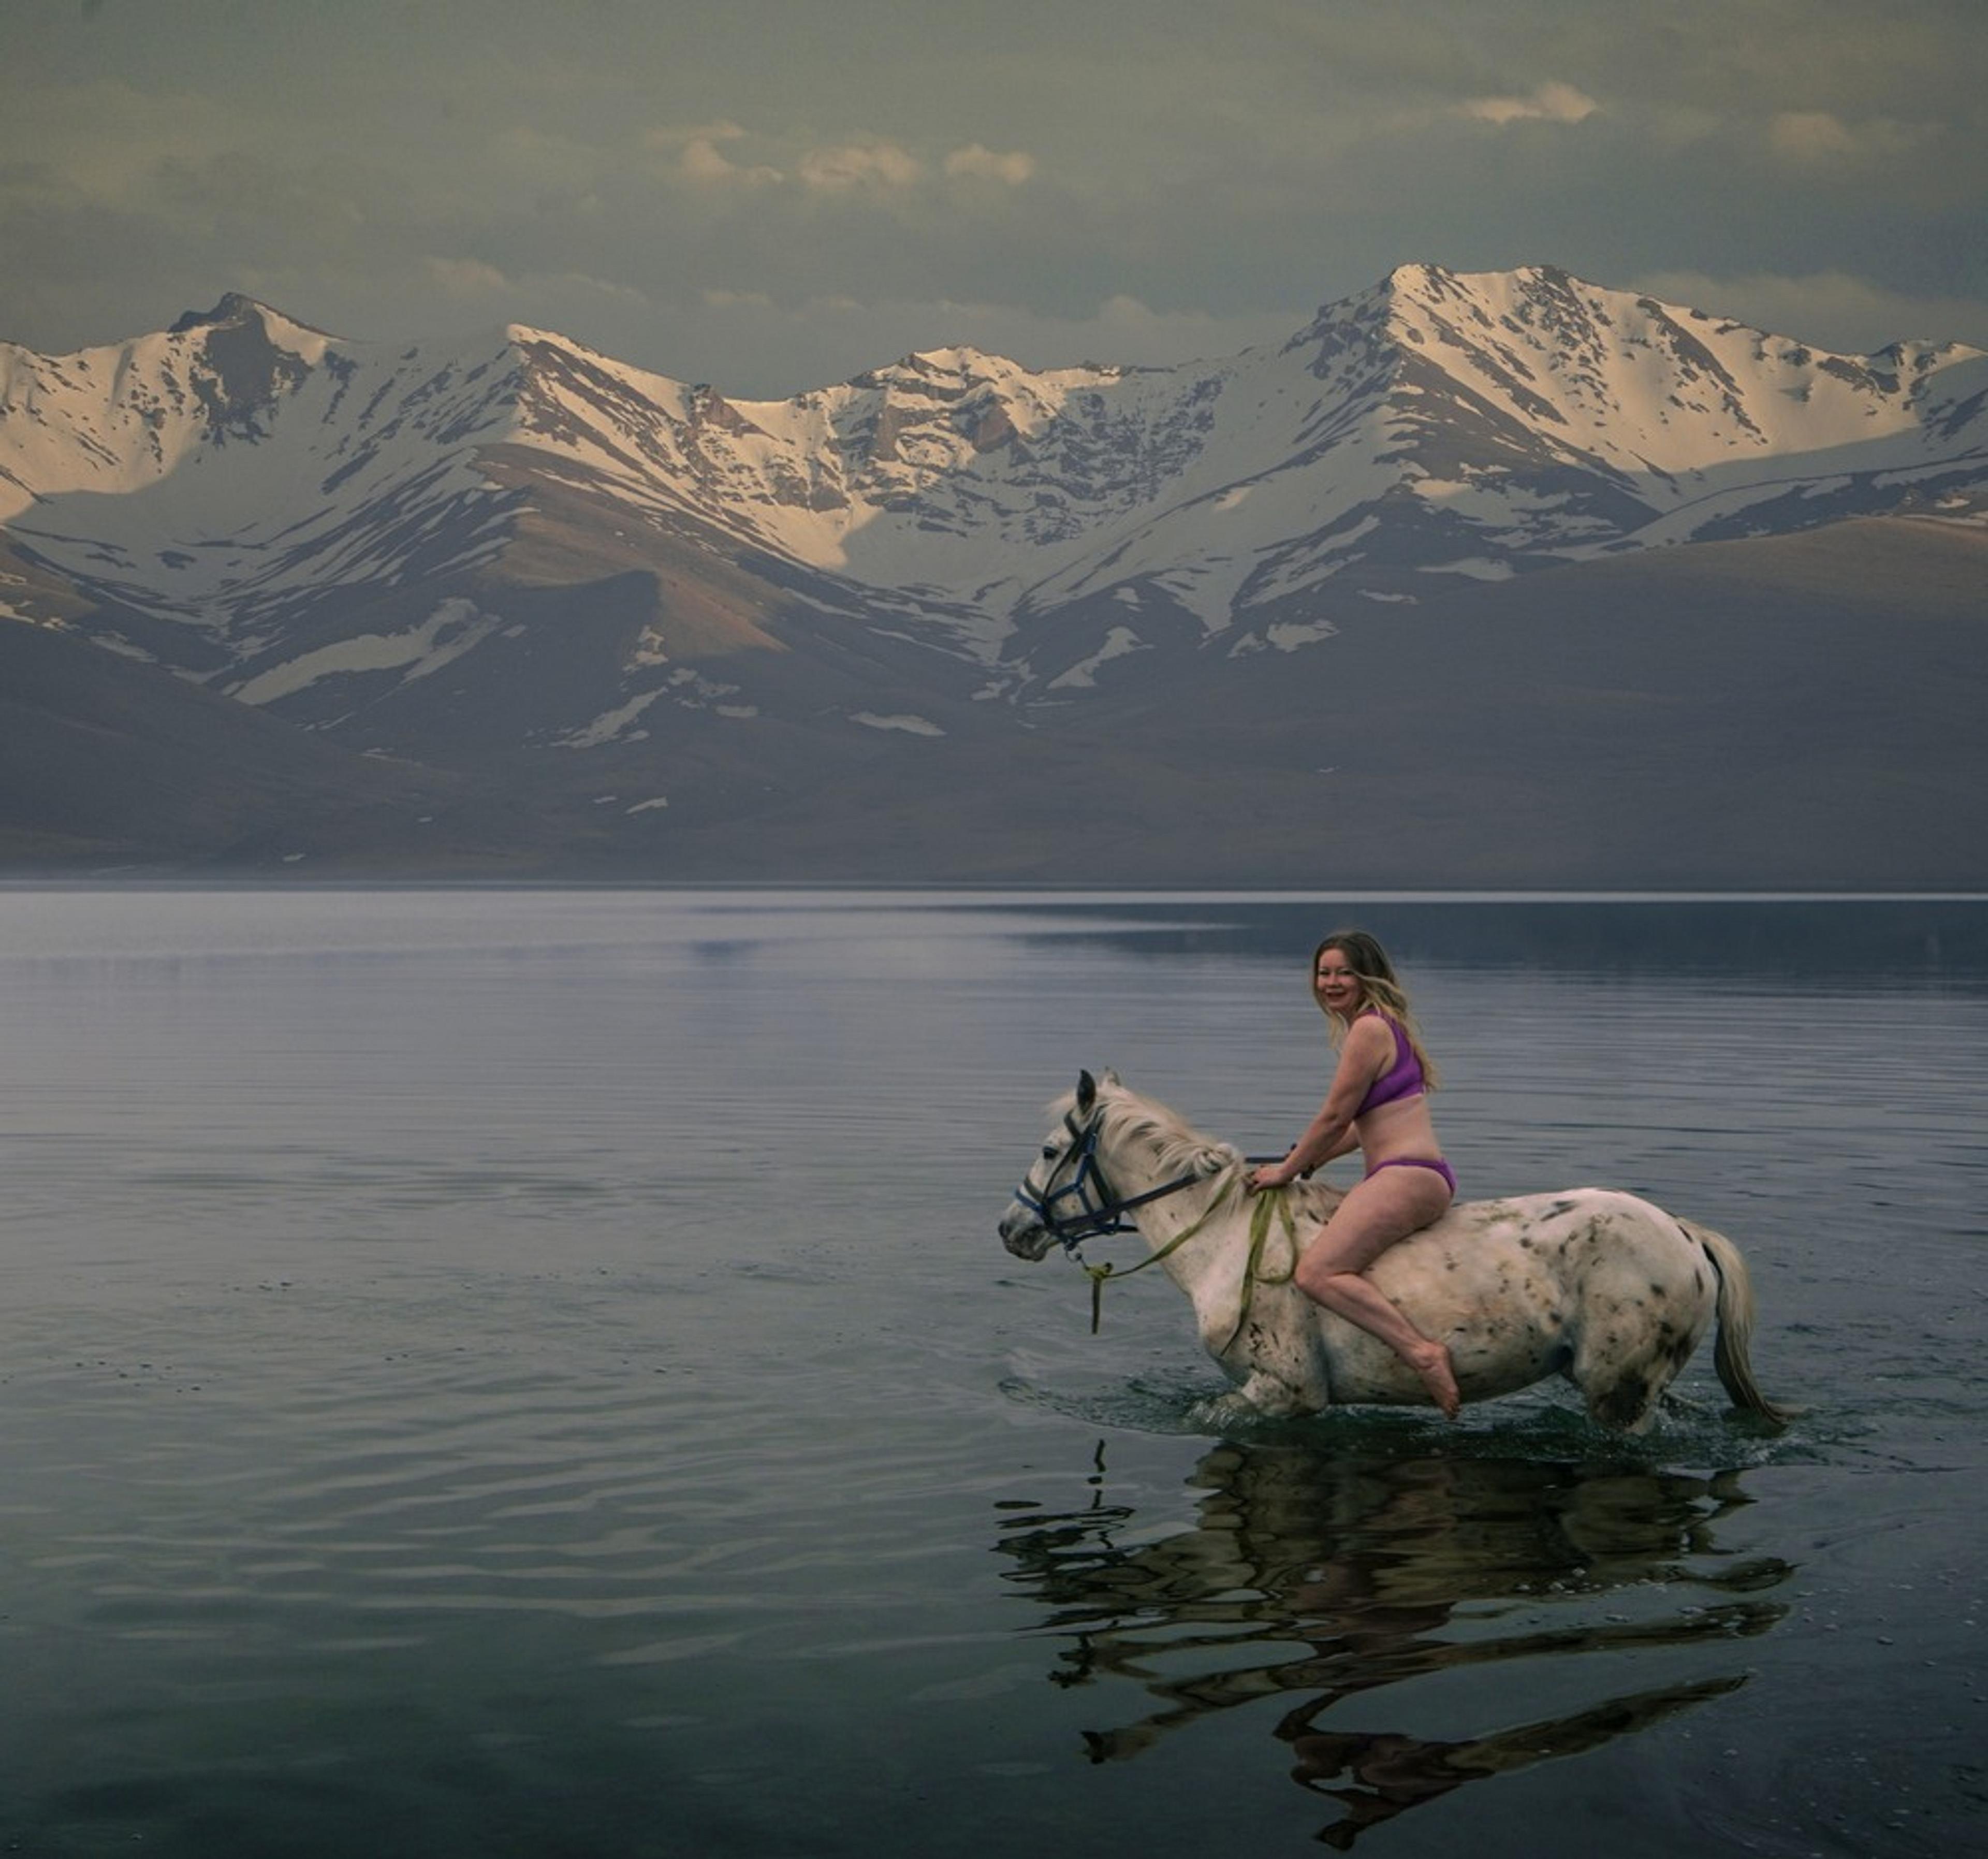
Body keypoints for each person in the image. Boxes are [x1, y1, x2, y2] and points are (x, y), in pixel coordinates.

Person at [1247, 931, 1461, 1419]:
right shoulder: (1387, 1025)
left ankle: (1422, 1353)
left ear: (1367, 976)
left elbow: (1335, 1118)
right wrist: (1311, 1160)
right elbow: (1366, 1128)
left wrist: (1286, 1170)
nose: (1332, 982)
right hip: (1416, 1173)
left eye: (1344, 972)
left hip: (1405, 1176)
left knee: (1316, 1272)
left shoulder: (1368, 1030)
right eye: (1324, 973)